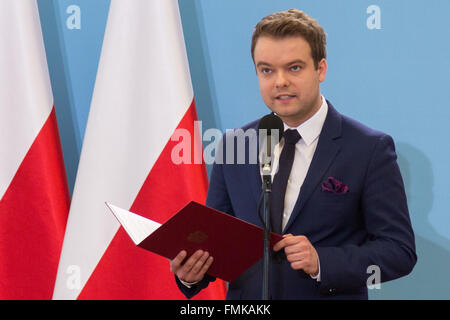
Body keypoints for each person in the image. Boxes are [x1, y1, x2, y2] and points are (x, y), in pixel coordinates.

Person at [170, 8, 417, 299]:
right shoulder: (234, 145)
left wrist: (322, 262)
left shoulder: (369, 149)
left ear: (321, 69)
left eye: (294, 68)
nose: (280, 81)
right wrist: (191, 276)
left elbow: (398, 250)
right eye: (267, 70)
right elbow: (218, 244)